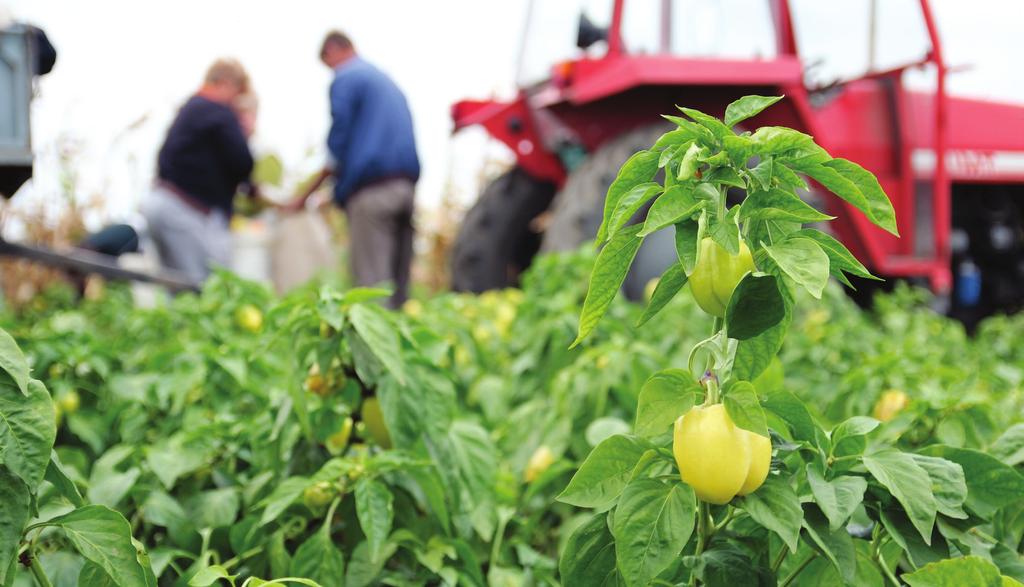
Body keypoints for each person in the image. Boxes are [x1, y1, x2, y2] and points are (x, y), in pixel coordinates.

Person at [286, 31, 420, 308]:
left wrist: (305, 194)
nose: (331, 70)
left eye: (328, 63)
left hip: (372, 192)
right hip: (405, 189)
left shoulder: (347, 77)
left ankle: (372, 350)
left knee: (371, 289)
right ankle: (401, 348)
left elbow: (338, 144)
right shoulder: (385, 81)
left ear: (335, 50)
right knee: (397, 289)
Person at [142, 58, 255, 283]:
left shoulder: (191, 108)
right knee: (203, 289)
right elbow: (243, 162)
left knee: (178, 289)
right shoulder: (216, 109)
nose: (235, 100)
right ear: (225, 83)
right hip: (186, 211)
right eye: (237, 92)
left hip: (160, 202)